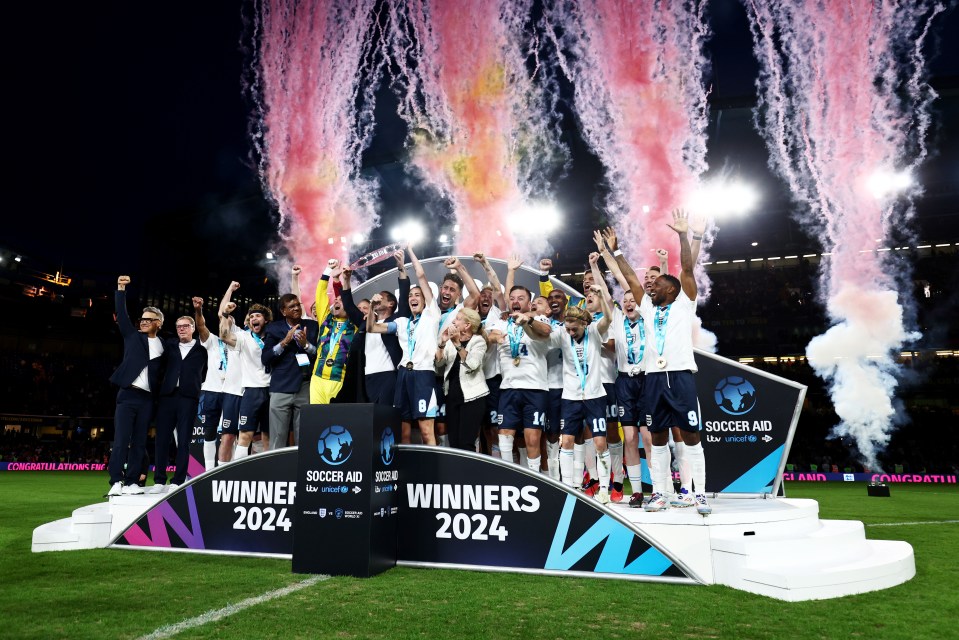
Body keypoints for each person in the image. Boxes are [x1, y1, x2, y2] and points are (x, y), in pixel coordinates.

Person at [607, 213, 711, 514]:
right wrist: (616, 251)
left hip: (679, 375)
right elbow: (628, 278)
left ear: (672, 289)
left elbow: (688, 268)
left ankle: (699, 494)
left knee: (691, 435)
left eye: (658, 284)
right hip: (653, 378)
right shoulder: (648, 309)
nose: (650, 286)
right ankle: (661, 493)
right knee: (658, 436)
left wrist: (684, 235)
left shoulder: (684, 303)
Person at [534, 284, 612, 502]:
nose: (570, 332)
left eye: (574, 329)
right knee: (566, 441)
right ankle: (568, 487)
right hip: (570, 397)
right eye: (567, 329)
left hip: (595, 395)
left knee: (598, 443)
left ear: (584, 324)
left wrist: (601, 295)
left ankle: (604, 488)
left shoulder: (595, 332)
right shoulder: (562, 334)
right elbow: (540, 337)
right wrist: (529, 322)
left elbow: (608, 317)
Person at [366, 246, 440, 445]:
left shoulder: (431, 315)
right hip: (403, 376)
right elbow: (372, 328)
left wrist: (407, 256)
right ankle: (406, 475)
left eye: (417, 295)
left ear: (426, 300)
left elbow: (421, 276)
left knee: (426, 432)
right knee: (403, 432)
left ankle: (431, 474)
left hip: (423, 374)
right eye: (410, 296)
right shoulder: (401, 323)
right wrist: (372, 308)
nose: (413, 298)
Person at [486, 259, 554, 474]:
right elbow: (490, 335)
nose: (515, 301)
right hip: (508, 388)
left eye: (521, 298)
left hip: (535, 388)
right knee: (504, 436)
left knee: (533, 438)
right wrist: (495, 336)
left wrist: (527, 321)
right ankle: (508, 477)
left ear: (529, 302)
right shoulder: (501, 321)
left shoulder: (539, 318)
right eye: (512, 298)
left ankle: (535, 479)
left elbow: (545, 331)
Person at [107, 275, 165, 496]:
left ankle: (132, 482)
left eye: (148, 319)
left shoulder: (164, 345)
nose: (143, 321)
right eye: (142, 319)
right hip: (127, 395)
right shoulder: (132, 336)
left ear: (158, 323)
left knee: (140, 443)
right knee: (121, 441)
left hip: (147, 399)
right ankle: (115, 482)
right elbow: (122, 314)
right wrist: (121, 288)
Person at [340, 250, 410, 406]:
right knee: (369, 422)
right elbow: (350, 307)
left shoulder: (397, 320)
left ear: (391, 304)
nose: (376, 297)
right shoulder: (366, 322)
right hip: (366, 376)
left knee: (386, 420)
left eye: (381, 296)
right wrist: (346, 279)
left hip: (388, 376)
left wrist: (401, 267)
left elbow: (404, 296)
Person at [262, 267, 320, 449]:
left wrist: (306, 346)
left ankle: (304, 472)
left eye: (298, 305)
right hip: (281, 388)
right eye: (291, 307)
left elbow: (319, 353)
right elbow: (266, 358)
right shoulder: (274, 328)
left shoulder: (311, 326)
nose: (296, 308)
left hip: (305, 386)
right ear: (283, 311)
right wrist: (285, 342)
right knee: (278, 437)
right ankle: (276, 472)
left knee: (305, 436)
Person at [151, 309, 207, 493]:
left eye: (185, 326)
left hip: (188, 398)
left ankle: (178, 480)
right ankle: (159, 480)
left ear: (193, 328)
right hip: (167, 396)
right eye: (178, 327)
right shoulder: (170, 345)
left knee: (183, 441)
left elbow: (207, 371)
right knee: (162, 439)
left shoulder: (202, 348)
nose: (181, 329)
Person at [218, 281, 272, 460]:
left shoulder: (274, 336)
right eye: (251, 317)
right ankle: (239, 474)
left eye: (258, 315)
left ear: (266, 319)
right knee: (245, 435)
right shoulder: (243, 337)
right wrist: (226, 313)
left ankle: (269, 473)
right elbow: (224, 336)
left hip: (273, 390)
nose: (254, 319)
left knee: (268, 436)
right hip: (251, 391)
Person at [435, 308, 489, 450]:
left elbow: (472, 364)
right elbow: (439, 364)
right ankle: (456, 473)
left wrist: (457, 344)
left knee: (466, 443)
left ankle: (469, 473)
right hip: (452, 396)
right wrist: (442, 343)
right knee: (454, 443)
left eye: (458, 319)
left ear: (467, 325)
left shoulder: (479, 341)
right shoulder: (450, 342)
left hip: (473, 398)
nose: (453, 321)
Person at [309, 259, 359, 405]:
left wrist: (341, 281)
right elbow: (320, 295)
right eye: (335, 300)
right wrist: (328, 272)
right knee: (317, 422)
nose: (336, 302)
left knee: (335, 423)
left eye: (340, 300)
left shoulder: (354, 326)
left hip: (340, 379)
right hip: (317, 379)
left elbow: (347, 299)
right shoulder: (325, 319)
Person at [194, 296, 228, 471]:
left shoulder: (241, 341)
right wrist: (199, 310)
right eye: (222, 321)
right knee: (209, 431)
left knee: (230, 434)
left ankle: (228, 468)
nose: (224, 324)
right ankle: (208, 471)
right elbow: (200, 326)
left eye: (227, 321)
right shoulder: (213, 340)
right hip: (212, 390)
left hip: (233, 391)